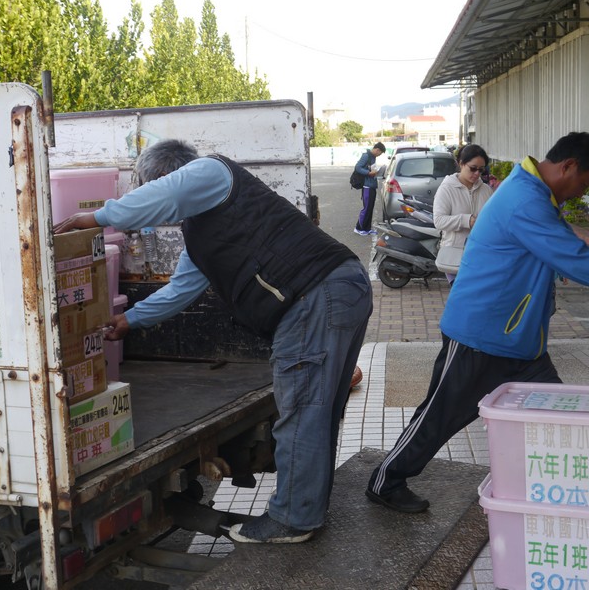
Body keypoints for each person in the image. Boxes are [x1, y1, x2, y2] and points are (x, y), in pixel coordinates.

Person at [53, 139, 373, 543]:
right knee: (316, 412)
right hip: (335, 292)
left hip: (314, 297)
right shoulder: (202, 231)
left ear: (169, 178)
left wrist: (95, 218)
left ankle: (292, 519)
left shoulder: (212, 171)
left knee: (303, 411)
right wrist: (129, 320)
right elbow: (180, 290)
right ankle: (306, 508)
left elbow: (161, 198)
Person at [365, 131, 589, 513]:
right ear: (567, 166)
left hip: (520, 344)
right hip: (480, 335)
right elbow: (573, 259)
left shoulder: (534, 193)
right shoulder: (525, 199)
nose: (581, 193)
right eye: (584, 184)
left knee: (559, 412)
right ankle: (386, 480)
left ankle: (574, 491)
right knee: (439, 416)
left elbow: (553, 246)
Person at [433, 144, 494, 284]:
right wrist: (468, 220)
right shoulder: (447, 188)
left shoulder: (486, 190)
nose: (477, 174)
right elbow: (439, 221)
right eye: (473, 168)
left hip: (481, 256)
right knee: (464, 300)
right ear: (461, 164)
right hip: (455, 255)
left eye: (481, 170)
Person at [353, 142, 386, 235]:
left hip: (372, 185)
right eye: (380, 153)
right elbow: (358, 167)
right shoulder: (366, 156)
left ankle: (367, 228)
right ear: (377, 150)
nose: (379, 155)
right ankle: (359, 228)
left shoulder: (372, 157)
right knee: (366, 208)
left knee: (370, 208)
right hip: (367, 186)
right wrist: (368, 173)